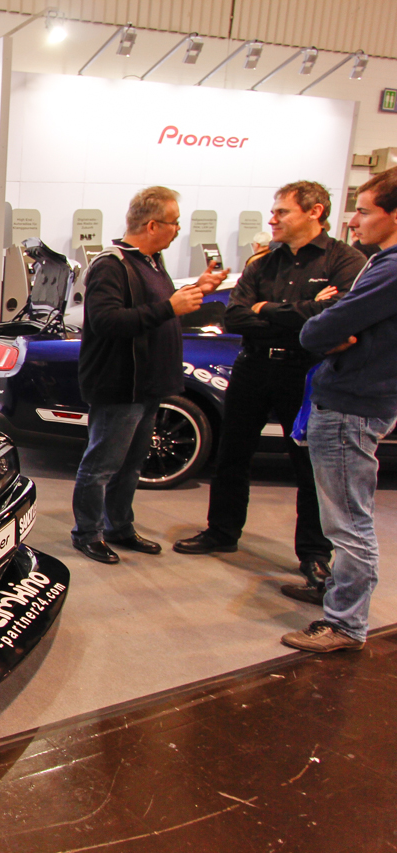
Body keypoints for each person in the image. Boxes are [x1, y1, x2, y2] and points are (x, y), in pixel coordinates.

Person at [174, 182, 367, 598]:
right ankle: (222, 531)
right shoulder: (262, 263)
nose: (272, 219)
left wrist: (268, 309)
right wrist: (301, 311)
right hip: (253, 366)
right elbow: (236, 317)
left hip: (306, 369)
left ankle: (314, 554)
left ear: (314, 212)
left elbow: (334, 315)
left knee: (309, 464)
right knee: (232, 454)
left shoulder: (345, 260)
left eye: (282, 212)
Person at [71, 187, 228, 563]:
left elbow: (158, 309)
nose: (178, 230)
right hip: (120, 385)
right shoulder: (112, 265)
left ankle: (119, 527)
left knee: (130, 466)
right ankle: (87, 533)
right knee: (102, 465)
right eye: (174, 223)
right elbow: (107, 321)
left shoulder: (151, 262)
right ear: (153, 224)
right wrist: (170, 307)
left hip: (147, 386)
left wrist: (196, 290)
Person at [280, 169, 397, 651]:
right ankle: (338, 601)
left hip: (351, 405)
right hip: (357, 399)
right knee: (346, 518)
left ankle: (346, 623)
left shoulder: (390, 270)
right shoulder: (380, 264)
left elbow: (316, 330)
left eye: (365, 211)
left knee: (349, 523)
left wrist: (323, 328)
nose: (354, 220)